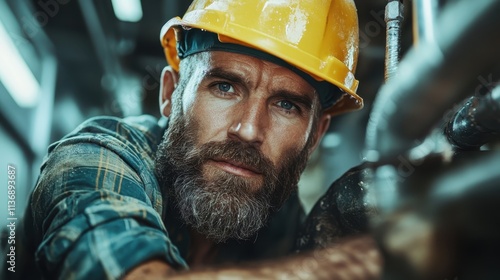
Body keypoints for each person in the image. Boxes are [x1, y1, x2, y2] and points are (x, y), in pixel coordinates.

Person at [12, 0, 381, 279]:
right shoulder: (95, 159)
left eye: (286, 105)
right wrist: (361, 261)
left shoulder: (277, 215)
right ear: (170, 94)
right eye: (224, 87)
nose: (249, 130)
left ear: (315, 136)